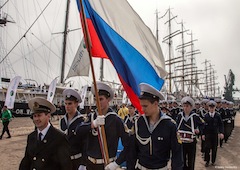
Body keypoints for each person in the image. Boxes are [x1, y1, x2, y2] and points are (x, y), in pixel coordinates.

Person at [76, 82, 129, 170]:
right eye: (96, 99)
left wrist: (116, 163)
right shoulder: (92, 117)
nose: (98, 102)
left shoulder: (115, 120)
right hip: (90, 164)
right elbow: (78, 131)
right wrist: (93, 124)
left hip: (107, 165)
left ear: (108, 99)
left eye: (101, 99)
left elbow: (128, 145)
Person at [130, 83, 183, 170]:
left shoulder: (169, 125)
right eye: (141, 106)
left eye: (145, 106)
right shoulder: (139, 122)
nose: (142, 109)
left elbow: (177, 154)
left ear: (155, 103)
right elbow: (132, 151)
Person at [19, 97, 72, 170]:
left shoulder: (59, 137)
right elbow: (26, 161)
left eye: (39, 115)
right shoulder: (31, 137)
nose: (36, 119)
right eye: (34, 116)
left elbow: (66, 166)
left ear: (48, 116)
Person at [60, 89, 87, 170]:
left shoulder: (82, 121)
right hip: (64, 161)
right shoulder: (62, 121)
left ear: (76, 104)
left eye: (70, 104)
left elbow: (86, 144)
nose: (67, 106)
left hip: (77, 161)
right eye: (66, 104)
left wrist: (83, 164)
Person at [176, 96, 204, 170]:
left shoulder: (195, 116)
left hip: (191, 142)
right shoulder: (179, 116)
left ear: (191, 107)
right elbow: (176, 127)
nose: (185, 108)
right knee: (182, 159)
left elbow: (202, 125)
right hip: (181, 142)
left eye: (187, 106)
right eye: (184, 106)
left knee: (191, 159)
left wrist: (198, 130)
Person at [202, 100, 224, 167]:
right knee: (207, 148)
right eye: (210, 107)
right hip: (208, 134)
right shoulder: (206, 116)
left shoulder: (217, 116)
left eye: (213, 107)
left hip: (215, 134)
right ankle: (207, 161)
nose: (211, 109)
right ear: (208, 108)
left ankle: (213, 161)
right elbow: (203, 126)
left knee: (214, 148)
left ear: (215, 108)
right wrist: (203, 134)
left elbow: (221, 124)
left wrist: (221, 132)